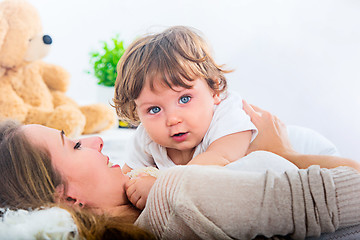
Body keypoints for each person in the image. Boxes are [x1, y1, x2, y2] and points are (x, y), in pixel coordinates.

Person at [0, 106, 360, 239]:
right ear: (66, 198)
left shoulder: (153, 205)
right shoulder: (176, 195)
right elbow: (340, 196)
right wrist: (284, 154)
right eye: (74, 146)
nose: (95, 140)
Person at [113, 25, 258, 174]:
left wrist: (157, 186)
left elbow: (218, 161)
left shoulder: (228, 117)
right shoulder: (146, 139)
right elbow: (126, 180)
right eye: (154, 109)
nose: (173, 119)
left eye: (184, 99)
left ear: (214, 90)